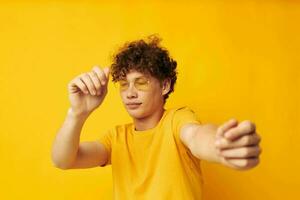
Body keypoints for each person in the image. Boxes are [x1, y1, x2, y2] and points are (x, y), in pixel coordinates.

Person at [51, 35, 262, 200]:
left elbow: (197, 136)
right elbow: (63, 160)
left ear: (164, 85)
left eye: (140, 82)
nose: (130, 93)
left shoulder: (177, 120)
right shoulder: (116, 138)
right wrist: (77, 113)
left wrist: (220, 145)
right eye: (124, 84)